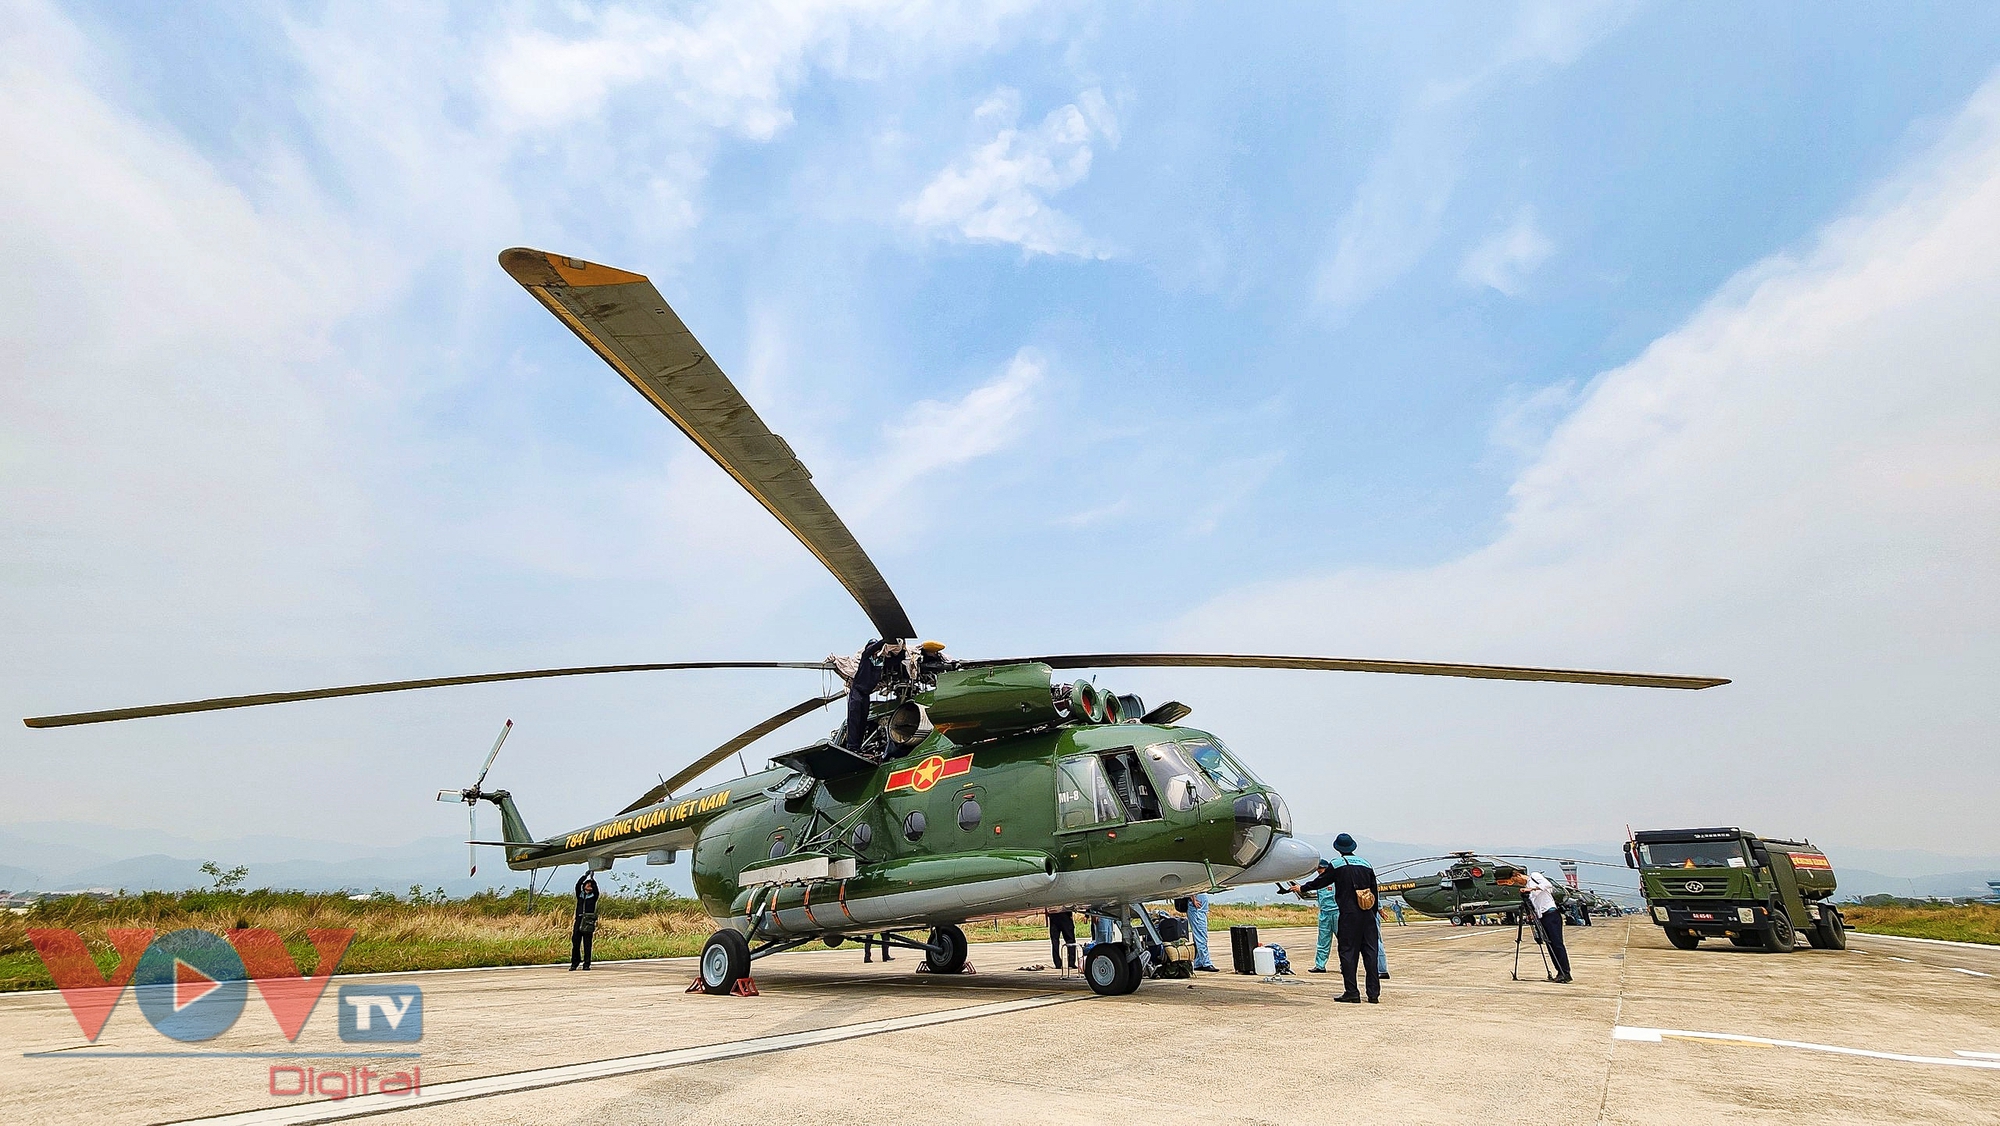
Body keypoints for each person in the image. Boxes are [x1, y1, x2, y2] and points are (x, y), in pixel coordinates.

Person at [1326, 834, 1381, 1003]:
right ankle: (1373, 994)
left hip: (1349, 915)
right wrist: (1373, 913)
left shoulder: (1336, 864)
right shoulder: (1366, 864)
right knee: (1371, 953)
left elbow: (1321, 881)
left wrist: (1302, 887)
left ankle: (1352, 992)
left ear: (1337, 848)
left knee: (1348, 953)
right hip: (1368, 915)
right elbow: (1374, 891)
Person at [1285, 859, 1341, 975]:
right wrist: (1299, 888)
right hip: (1324, 913)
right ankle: (1320, 965)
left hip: (1337, 912)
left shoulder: (1336, 881)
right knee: (1322, 941)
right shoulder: (1319, 882)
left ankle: (1345, 965)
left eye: (1321, 870)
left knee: (1343, 940)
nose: (1319, 873)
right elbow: (1312, 886)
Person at [1525, 871, 1573, 983]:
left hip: (1551, 914)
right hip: (1542, 917)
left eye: (1514, 880)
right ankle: (1559, 971)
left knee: (1557, 944)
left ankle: (1565, 972)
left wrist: (1531, 889)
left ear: (1517, 875)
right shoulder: (1527, 887)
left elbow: (1547, 884)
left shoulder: (1534, 876)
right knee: (1550, 945)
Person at [570, 872, 599, 971]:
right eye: (587, 884)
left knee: (587, 944)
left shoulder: (594, 896)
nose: (589, 886)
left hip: (588, 922)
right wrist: (585, 876)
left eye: (590, 886)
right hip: (579, 920)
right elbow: (578, 885)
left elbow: (596, 889)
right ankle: (574, 963)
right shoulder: (580, 895)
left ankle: (586, 964)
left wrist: (592, 879)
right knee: (575, 942)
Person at [1183, 893, 1218, 971]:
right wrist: (1194, 899)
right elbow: (1191, 887)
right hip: (1197, 910)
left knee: (1199, 937)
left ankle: (1198, 962)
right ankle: (1206, 963)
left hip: (1200, 910)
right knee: (1201, 937)